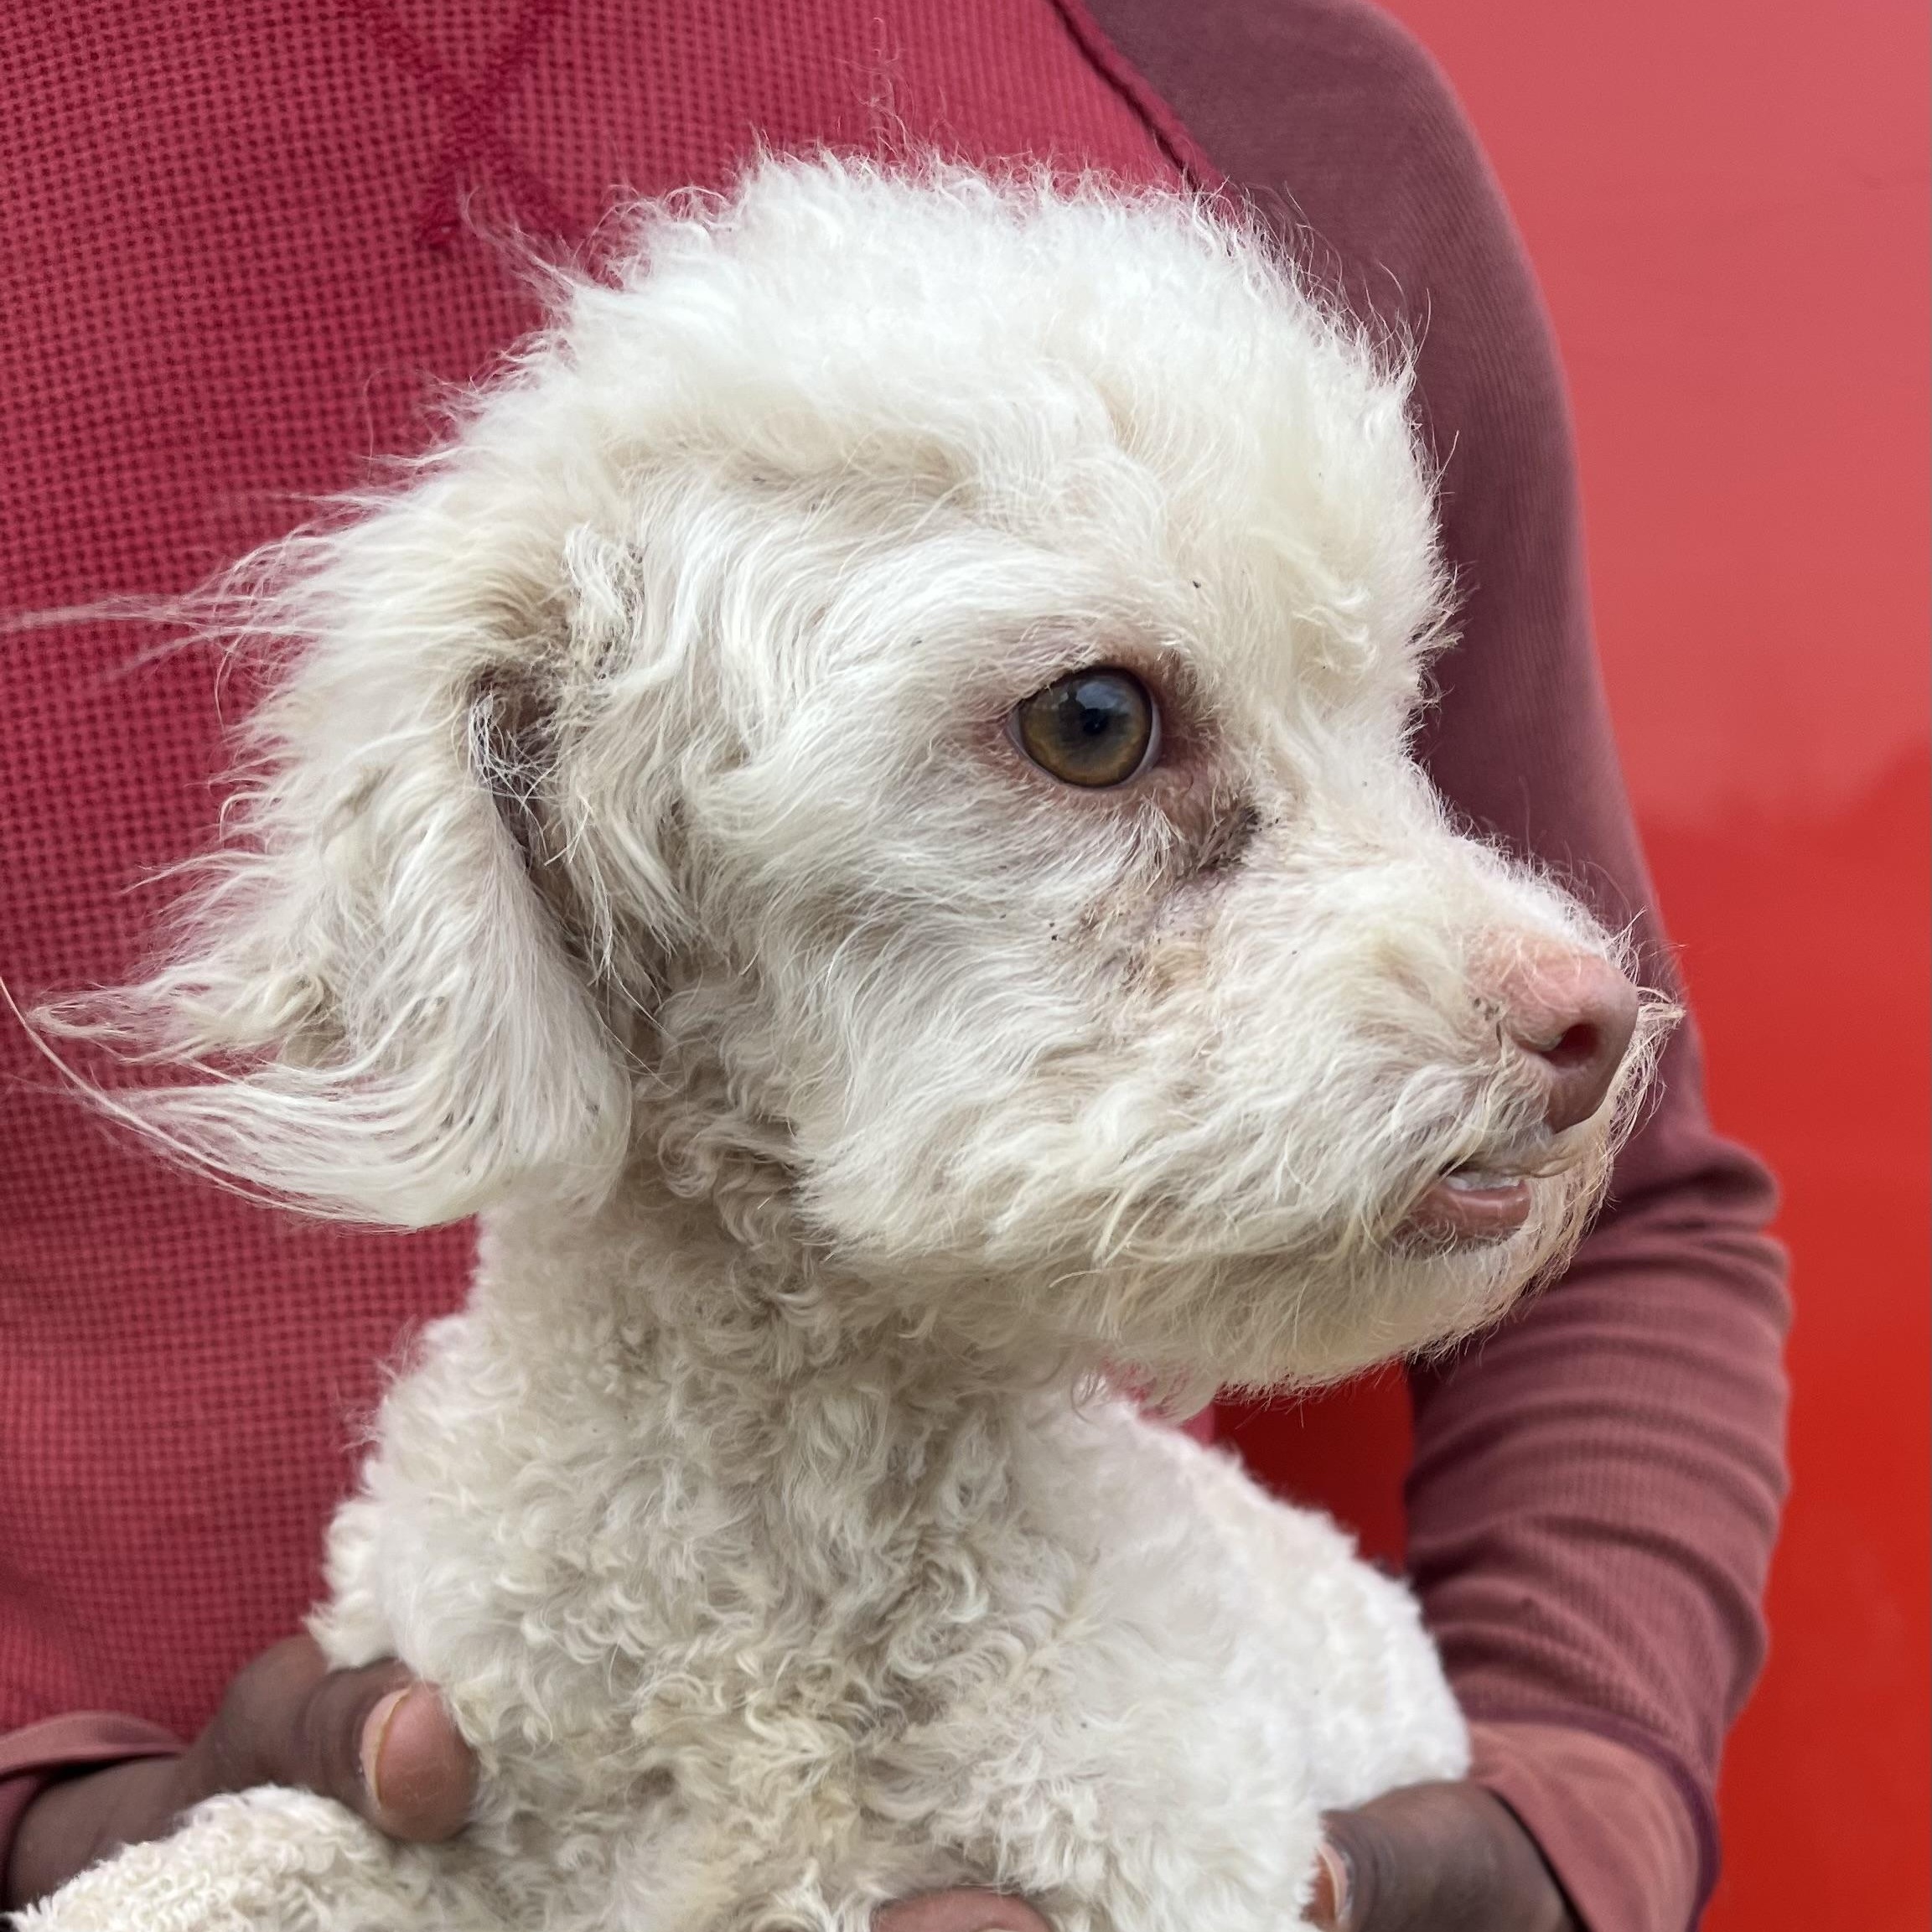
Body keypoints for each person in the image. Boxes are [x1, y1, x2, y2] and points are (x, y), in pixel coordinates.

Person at [0, 3, 1788, 1927]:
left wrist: (1550, 1834)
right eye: (1093, 727)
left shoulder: (1264, 87)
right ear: (540, 818)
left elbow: (1613, 1219)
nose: (1555, 972)